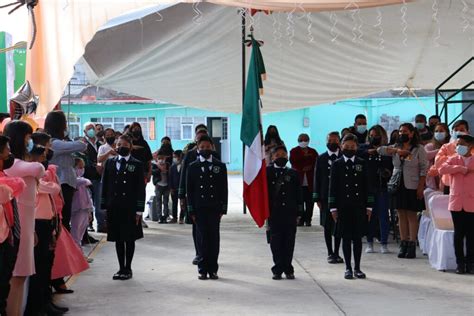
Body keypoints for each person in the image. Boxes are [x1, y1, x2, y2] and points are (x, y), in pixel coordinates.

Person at [3, 121, 45, 316]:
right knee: (16, 278)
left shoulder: (21, 165)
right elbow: (39, 170)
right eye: (29, 138)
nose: (32, 142)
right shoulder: (20, 166)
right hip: (18, 227)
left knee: (20, 278)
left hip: (27, 225)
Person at [25, 139, 67, 315]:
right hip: (37, 221)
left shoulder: (42, 170)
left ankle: (46, 301)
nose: (46, 156)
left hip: (48, 219)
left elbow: (53, 189)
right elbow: (48, 188)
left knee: (46, 264)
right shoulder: (30, 171)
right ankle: (38, 305)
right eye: (43, 153)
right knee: (40, 266)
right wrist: (52, 186)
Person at [378, 123, 428, 259]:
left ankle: (412, 244)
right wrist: (396, 151)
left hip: (412, 184)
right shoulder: (395, 146)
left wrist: (420, 186)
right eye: (400, 131)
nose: (402, 134)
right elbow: (380, 150)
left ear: (412, 133)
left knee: (411, 215)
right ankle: (403, 243)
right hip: (397, 184)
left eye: (405, 131)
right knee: (401, 215)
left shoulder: (419, 149)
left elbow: (424, 168)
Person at [101, 134, 145, 281]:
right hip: (114, 206)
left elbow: (140, 188)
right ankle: (120, 268)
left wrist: (139, 210)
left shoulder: (137, 164)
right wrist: (104, 206)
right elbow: (105, 185)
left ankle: (128, 268)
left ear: (130, 146)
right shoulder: (110, 163)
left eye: (125, 145)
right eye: (119, 144)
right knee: (118, 238)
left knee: (129, 238)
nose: (121, 147)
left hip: (130, 208)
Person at [329, 133, 373, 280]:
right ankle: (348, 268)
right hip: (343, 208)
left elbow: (368, 186)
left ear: (357, 147)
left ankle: (358, 268)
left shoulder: (362, 162)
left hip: (358, 207)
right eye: (346, 146)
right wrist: (333, 207)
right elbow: (332, 187)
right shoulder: (337, 164)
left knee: (357, 239)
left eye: (352, 147)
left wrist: (369, 206)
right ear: (341, 147)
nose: (349, 149)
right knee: (346, 238)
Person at [186, 135, 228, 280]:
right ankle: (203, 269)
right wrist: (190, 209)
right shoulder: (192, 167)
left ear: (212, 147)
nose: (205, 149)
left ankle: (213, 269)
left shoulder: (220, 166)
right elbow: (189, 190)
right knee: (202, 238)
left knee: (214, 239)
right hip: (199, 209)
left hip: (214, 208)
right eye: (202, 147)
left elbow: (224, 189)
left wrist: (223, 209)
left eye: (207, 147)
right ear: (198, 149)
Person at [178, 127, 220, 265]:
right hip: (196, 199)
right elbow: (184, 175)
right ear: (196, 139)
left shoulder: (215, 156)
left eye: (204, 135)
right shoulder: (190, 155)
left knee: (212, 232)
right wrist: (181, 195)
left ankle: (209, 257)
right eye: (199, 136)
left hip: (212, 200)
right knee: (197, 228)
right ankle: (199, 253)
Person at [44, 111, 87, 231]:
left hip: (66, 183)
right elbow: (82, 145)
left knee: (65, 217)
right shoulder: (55, 143)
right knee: (63, 218)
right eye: (65, 123)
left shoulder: (57, 142)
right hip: (62, 183)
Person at [439, 134, 474, 274]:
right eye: (457, 144)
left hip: (471, 201)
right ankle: (460, 262)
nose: (458, 147)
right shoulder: (453, 159)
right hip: (456, 202)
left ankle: (470, 262)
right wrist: (460, 169)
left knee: (471, 235)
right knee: (458, 234)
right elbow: (442, 169)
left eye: (462, 144)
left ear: (470, 146)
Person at [267, 145, 303, 280]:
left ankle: (288, 268)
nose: (281, 157)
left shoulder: (293, 173)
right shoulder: (267, 172)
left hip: (290, 213)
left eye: (283, 155)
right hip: (274, 213)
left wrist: (299, 212)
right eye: (277, 155)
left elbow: (299, 194)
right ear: (272, 157)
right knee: (275, 242)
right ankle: (277, 268)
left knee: (289, 242)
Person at [0, 135, 26, 316]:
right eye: (7, 149)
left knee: (4, 285)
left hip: (8, 236)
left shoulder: (4, 175)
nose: (10, 153)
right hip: (3, 239)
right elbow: (8, 190)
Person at [359, 125, 393, 254]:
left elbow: (391, 165)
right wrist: (370, 152)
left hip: (382, 187)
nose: (374, 138)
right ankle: (369, 242)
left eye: (376, 136)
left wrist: (387, 172)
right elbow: (358, 153)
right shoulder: (364, 148)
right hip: (368, 188)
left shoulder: (386, 149)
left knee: (384, 216)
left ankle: (384, 243)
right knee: (370, 216)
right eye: (371, 136)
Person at [314, 132, 343, 264]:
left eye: (335, 140)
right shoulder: (321, 158)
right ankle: (329, 252)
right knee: (327, 225)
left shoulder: (343, 157)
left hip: (340, 197)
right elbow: (317, 178)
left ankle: (337, 251)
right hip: (325, 197)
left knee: (338, 224)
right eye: (330, 140)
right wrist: (317, 197)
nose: (333, 142)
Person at [431, 120, 470, 194]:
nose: (458, 132)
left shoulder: (472, 147)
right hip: (448, 183)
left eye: (462, 130)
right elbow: (438, 163)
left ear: (468, 132)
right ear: (452, 132)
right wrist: (456, 156)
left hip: (468, 184)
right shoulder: (446, 147)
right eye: (456, 130)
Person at [80, 122, 105, 233]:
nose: (91, 131)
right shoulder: (82, 143)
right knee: (87, 202)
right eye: (88, 129)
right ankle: (89, 224)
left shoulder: (100, 144)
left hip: (99, 177)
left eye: (92, 129)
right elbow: (84, 160)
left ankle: (101, 225)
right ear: (85, 132)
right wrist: (95, 167)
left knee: (99, 203)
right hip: (87, 177)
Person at [290, 133, 318, 226]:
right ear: (298, 140)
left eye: (305, 139)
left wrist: (310, 166)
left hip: (310, 181)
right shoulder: (294, 151)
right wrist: (304, 161)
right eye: (301, 139)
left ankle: (308, 219)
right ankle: (300, 219)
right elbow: (293, 162)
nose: (303, 141)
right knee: (300, 202)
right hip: (299, 180)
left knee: (310, 202)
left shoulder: (313, 151)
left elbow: (316, 162)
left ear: (308, 140)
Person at [71, 158, 94, 248]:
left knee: (81, 231)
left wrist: (89, 211)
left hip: (85, 208)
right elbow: (83, 181)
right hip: (77, 208)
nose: (82, 169)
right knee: (76, 231)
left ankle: (78, 252)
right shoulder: (73, 179)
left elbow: (88, 196)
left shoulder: (82, 181)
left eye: (82, 167)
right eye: (79, 167)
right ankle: (76, 252)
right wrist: (86, 181)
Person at [425, 123, 450, 190]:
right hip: (433, 178)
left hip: (448, 177)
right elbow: (426, 156)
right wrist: (441, 150)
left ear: (447, 133)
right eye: (436, 131)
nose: (438, 133)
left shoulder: (451, 146)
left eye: (441, 131)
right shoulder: (429, 146)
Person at [152, 150, 171, 224]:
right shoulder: (155, 165)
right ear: (157, 158)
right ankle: (159, 217)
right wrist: (160, 169)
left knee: (166, 202)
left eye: (162, 158)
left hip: (166, 186)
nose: (161, 160)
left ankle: (165, 217)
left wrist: (166, 170)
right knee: (158, 202)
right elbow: (153, 172)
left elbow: (171, 174)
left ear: (165, 158)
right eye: (159, 158)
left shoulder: (168, 164)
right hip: (158, 185)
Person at [169, 150, 183, 224]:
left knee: (182, 203)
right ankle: (174, 217)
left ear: (180, 156)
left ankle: (181, 218)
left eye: (175, 157)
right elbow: (170, 178)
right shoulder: (172, 167)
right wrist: (171, 188)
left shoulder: (185, 166)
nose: (174, 158)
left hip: (182, 188)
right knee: (174, 203)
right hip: (174, 188)